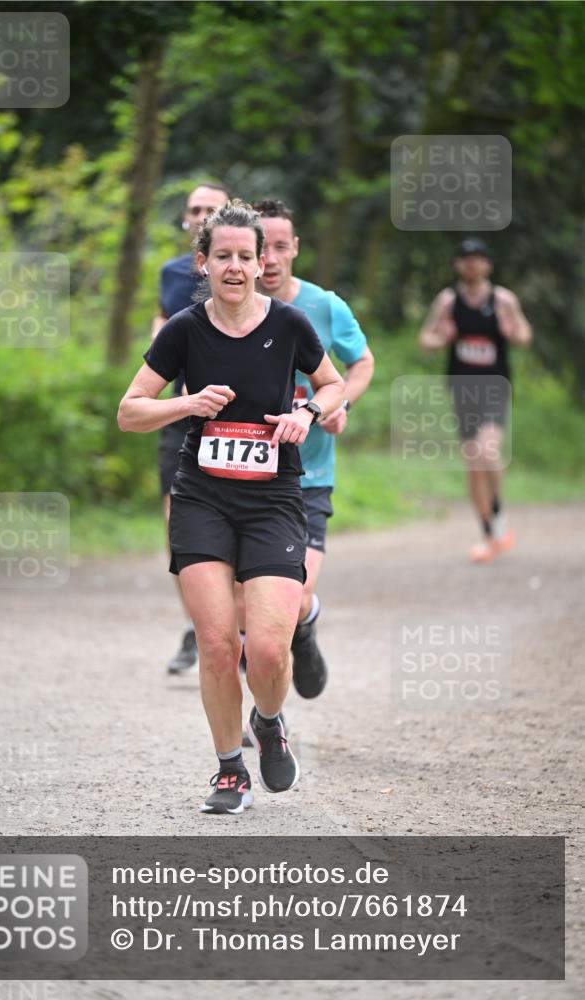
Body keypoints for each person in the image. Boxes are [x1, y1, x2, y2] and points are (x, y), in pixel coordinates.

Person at [118, 201, 344, 814]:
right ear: (204, 262)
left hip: (273, 499)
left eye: (249, 255)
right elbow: (129, 410)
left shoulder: (291, 323)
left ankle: (269, 721)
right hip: (203, 498)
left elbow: (332, 382)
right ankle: (228, 770)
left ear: (262, 259)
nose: (239, 266)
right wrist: (185, 406)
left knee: (268, 649)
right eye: (225, 256)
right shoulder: (185, 330)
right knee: (218, 643)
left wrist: (306, 413)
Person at [252, 199, 374, 698]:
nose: (272, 258)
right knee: (251, 607)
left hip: (309, 478)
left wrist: (338, 404)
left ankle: (306, 625)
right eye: (264, 247)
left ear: (295, 248)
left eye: (282, 245)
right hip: (247, 479)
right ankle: (261, 710)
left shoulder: (325, 306)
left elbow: (360, 364)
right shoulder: (226, 308)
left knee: (294, 595)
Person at [151, 183, 230, 674]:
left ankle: (239, 625)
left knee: (234, 526)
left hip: (238, 421)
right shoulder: (171, 274)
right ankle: (198, 628)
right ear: (185, 221)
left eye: (212, 209)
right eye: (194, 210)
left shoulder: (245, 266)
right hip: (181, 414)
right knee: (176, 529)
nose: (201, 216)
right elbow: (162, 322)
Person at [419, 238, 532, 562]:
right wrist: (441, 338)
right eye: (466, 258)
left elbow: (524, 336)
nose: (472, 264)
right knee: (473, 463)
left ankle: (498, 508)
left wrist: (513, 328)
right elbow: (425, 338)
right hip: (461, 389)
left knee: (488, 449)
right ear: (457, 264)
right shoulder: (448, 301)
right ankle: (490, 534)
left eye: (478, 258)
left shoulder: (503, 299)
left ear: (488, 265)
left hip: (495, 387)